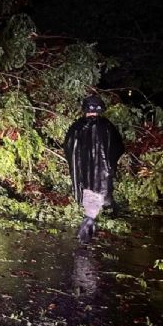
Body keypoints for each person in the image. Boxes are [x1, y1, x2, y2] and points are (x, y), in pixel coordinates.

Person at [63, 95, 125, 244]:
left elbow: (68, 147)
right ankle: (87, 229)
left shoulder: (77, 126)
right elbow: (119, 147)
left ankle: (88, 227)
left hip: (83, 175)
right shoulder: (107, 126)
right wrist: (109, 163)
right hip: (102, 174)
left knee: (90, 197)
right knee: (96, 198)